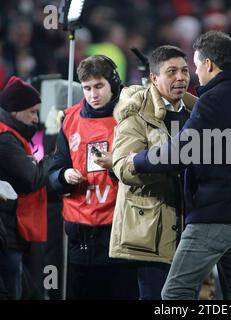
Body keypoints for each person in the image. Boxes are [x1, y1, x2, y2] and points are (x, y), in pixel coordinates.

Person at [128, 31, 231, 300]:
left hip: (215, 216)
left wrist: (138, 161)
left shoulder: (211, 101)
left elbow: (181, 151)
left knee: (175, 294)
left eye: (196, 66)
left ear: (208, 64)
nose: (195, 74)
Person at [110, 45, 216, 300]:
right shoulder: (136, 115)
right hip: (151, 233)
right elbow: (123, 167)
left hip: (193, 227)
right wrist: (168, 164)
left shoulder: (199, 113)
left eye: (183, 70)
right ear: (154, 78)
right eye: (171, 72)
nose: (180, 77)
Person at [48, 55, 138, 300]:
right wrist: (64, 175)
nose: (93, 94)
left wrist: (114, 165)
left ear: (114, 84)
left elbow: (144, 172)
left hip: (119, 230)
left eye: (99, 86)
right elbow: (54, 169)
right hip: (79, 235)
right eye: (87, 88)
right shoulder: (69, 119)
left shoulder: (130, 118)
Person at [0, 76, 50, 299]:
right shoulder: (5, 139)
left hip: (13, 234)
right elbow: (31, 177)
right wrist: (53, 158)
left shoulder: (12, 135)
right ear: (15, 111)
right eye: (32, 112)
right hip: (8, 235)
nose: (36, 119)